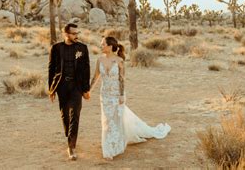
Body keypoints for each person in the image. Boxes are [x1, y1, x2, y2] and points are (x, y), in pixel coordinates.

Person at [90, 36, 171, 160]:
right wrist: (88, 90)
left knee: (116, 121)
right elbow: (95, 77)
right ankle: (108, 147)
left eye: (103, 44)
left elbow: (121, 79)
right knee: (106, 121)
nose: (101, 46)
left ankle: (115, 147)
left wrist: (121, 95)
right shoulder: (99, 60)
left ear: (110, 46)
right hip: (104, 96)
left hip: (117, 95)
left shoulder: (119, 61)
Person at [48, 23, 91, 161]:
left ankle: (71, 146)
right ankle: (69, 134)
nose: (76, 35)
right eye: (73, 33)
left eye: (77, 33)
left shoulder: (82, 48)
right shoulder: (56, 48)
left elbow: (86, 70)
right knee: (64, 114)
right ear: (66, 34)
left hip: (76, 86)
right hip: (61, 86)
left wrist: (86, 89)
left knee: (75, 115)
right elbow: (51, 69)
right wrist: (51, 89)